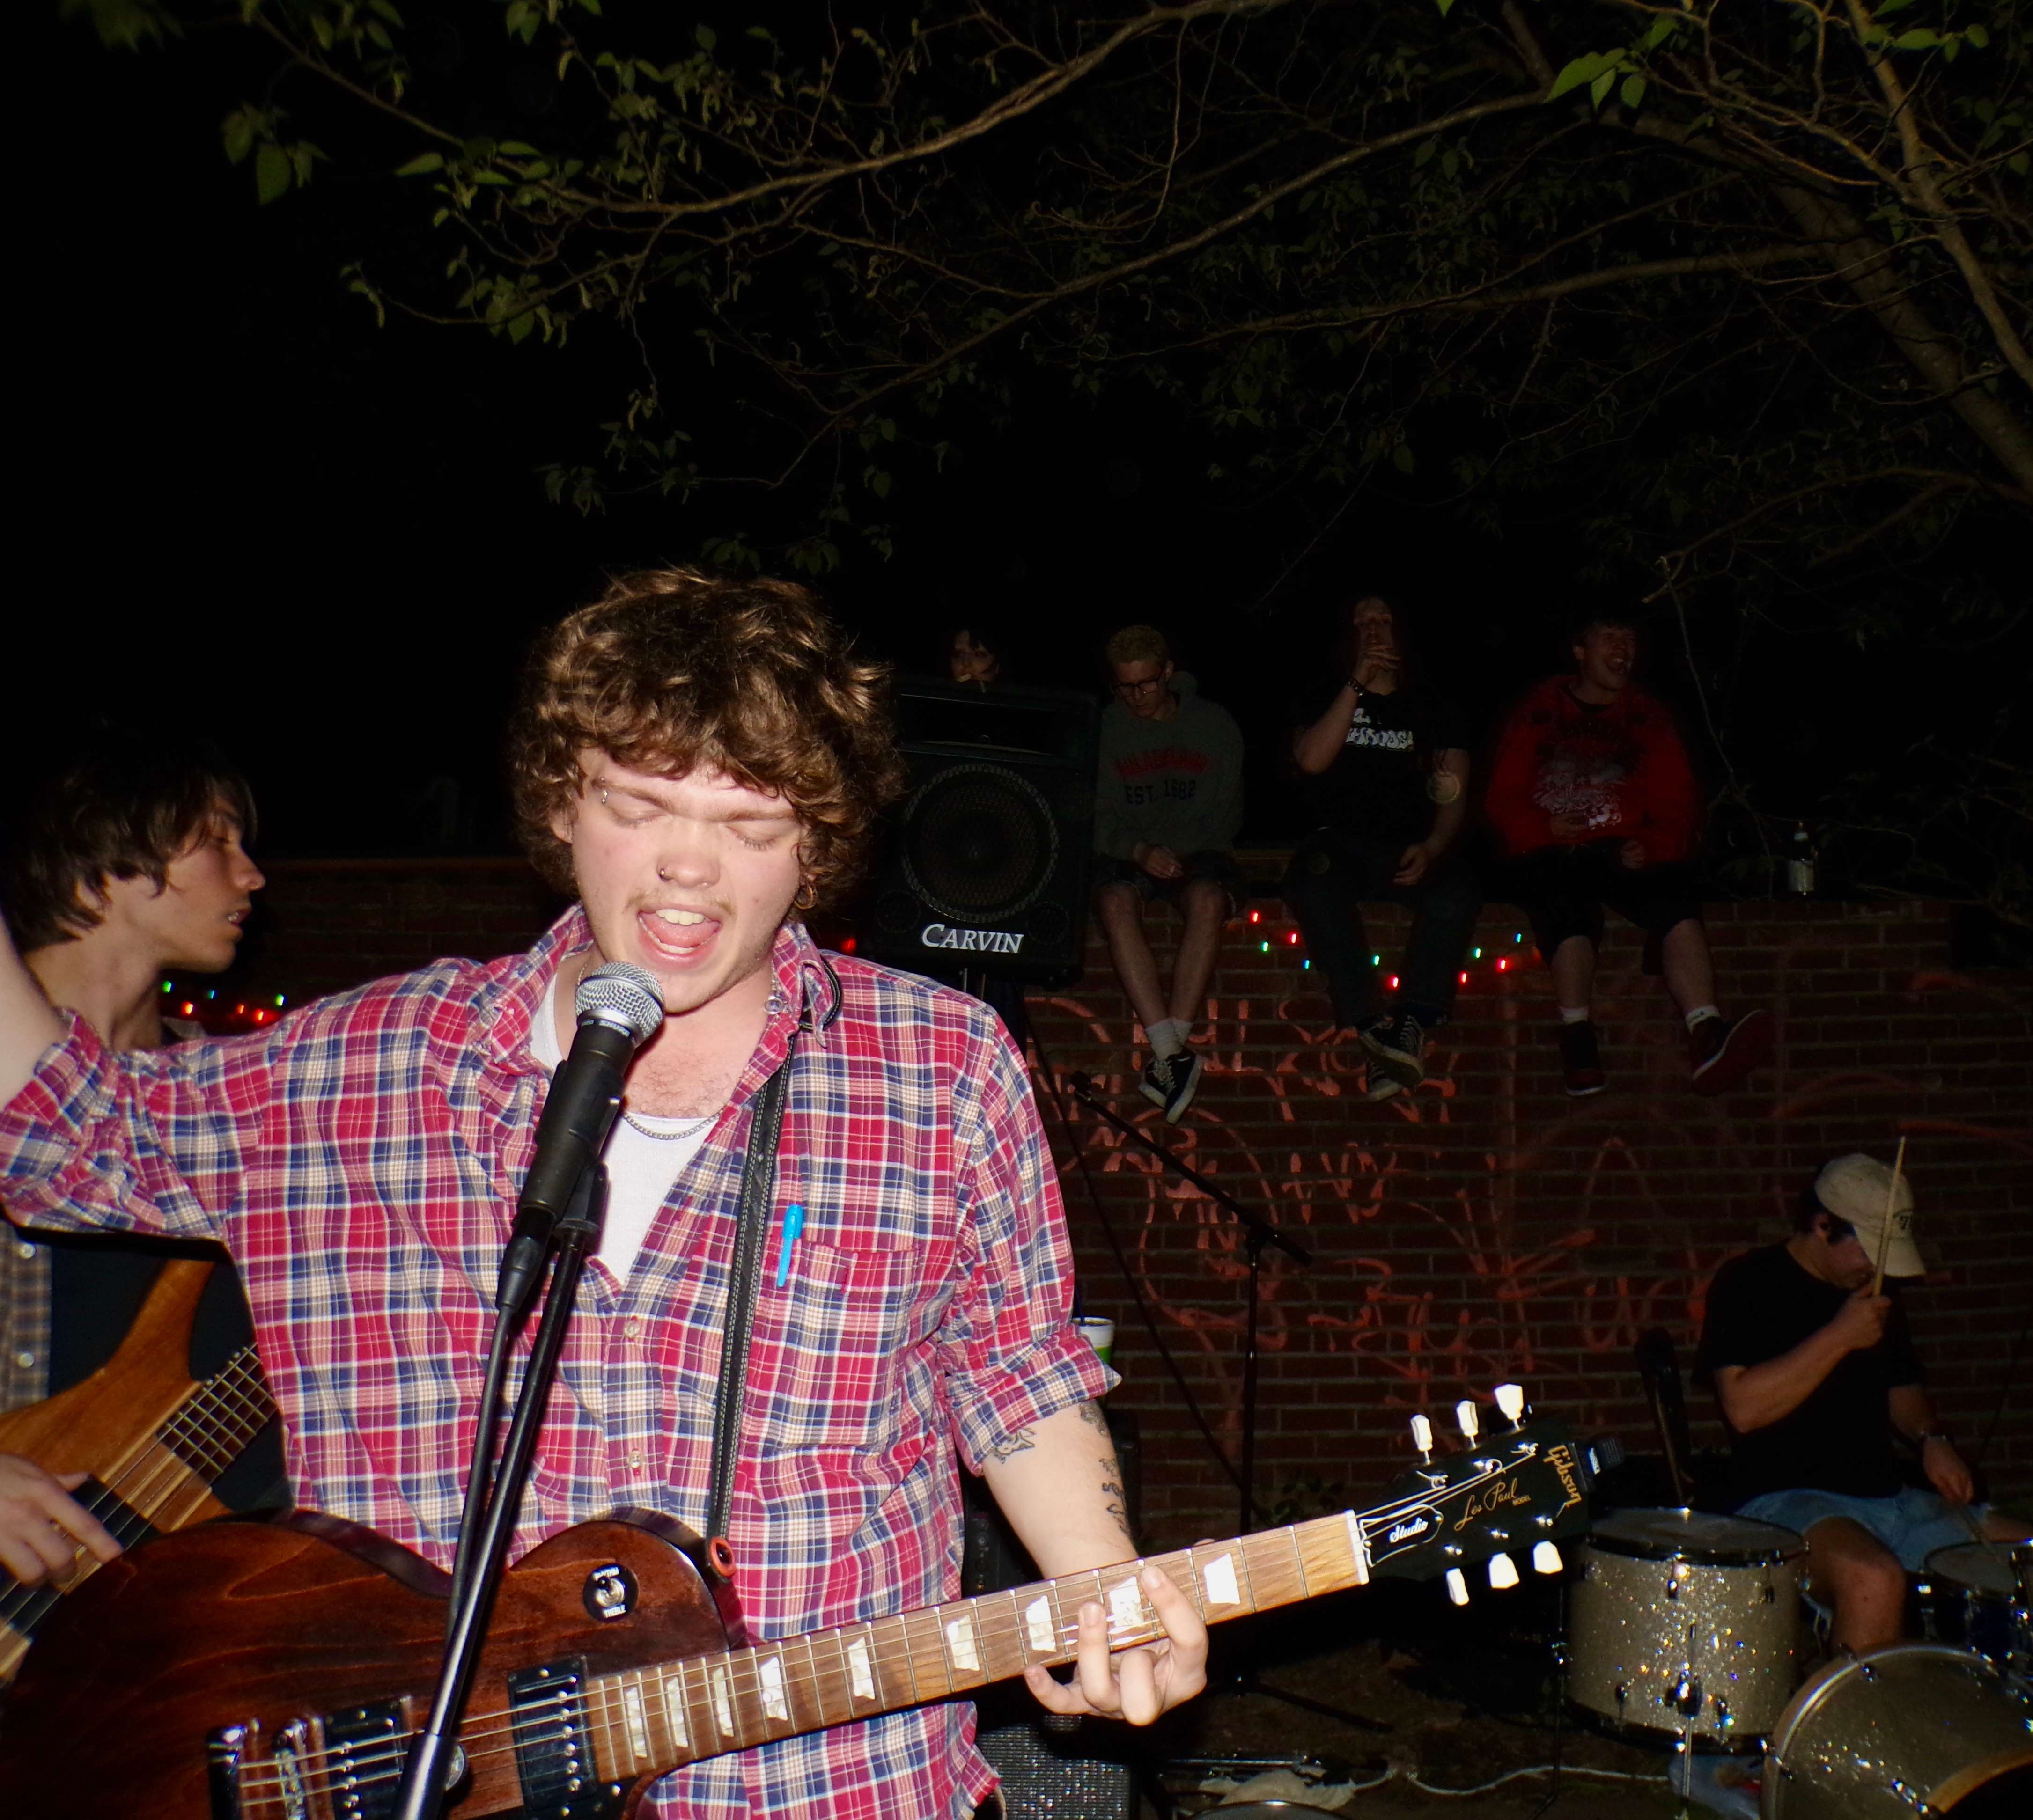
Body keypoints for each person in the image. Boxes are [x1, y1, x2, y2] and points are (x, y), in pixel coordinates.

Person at [0, 571, 1207, 1819]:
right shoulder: (361, 1067)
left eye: (751, 826)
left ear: (819, 844)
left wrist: (1098, 1579)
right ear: (564, 805)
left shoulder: (938, 1068)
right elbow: (50, 1139)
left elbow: (1016, 1371)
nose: (690, 870)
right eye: (640, 806)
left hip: (834, 1788)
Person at [0, 734, 287, 1589]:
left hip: (148, 1614)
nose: (252, 875)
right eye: (217, 841)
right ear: (104, 864)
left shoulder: (234, 1105)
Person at [1697, 1154, 2033, 1656]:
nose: (1879, 1270)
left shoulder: (1873, 1291)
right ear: (1823, 1225)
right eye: (1869, 1253)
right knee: (1872, 1579)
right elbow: (1745, 1410)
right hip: (1784, 1501)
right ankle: (1853, 1731)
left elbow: (1901, 1389)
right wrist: (1839, 1336)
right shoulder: (1748, 1282)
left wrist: (1932, 1439)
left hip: (1892, 1499)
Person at [1484, 608, 1772, 1098]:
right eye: (1609, 639)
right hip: (1552, 847)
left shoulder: (1649, 716)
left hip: (1619, 848)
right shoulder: (1539, 709)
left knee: (1675, 900)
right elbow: (1501, 795)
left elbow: (1679, 801)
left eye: (1629, 641)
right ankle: (1577, 1035)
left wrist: (1654, 845)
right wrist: (1541, 826)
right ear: (1580, 651)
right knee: (1565, 908)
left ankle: (1706, 1031)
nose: (1623, 651)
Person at [1282, 595, 1482, 1101]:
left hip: (1408, 846)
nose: (1374, 630)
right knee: (1311, 880)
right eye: (1363, 622)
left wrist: (1434, 847)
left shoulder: (1432, 702)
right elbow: (1310, 760)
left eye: (1384, 620)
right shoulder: (1325, 693)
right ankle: (1371, 1025)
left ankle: (1411, 1021)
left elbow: (1455, 788)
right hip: (1343, 846)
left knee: (1458, 890)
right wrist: (1356, 686)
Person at [1091, 624, 1244, 1123]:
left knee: (1208, 900)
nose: (1136, 697)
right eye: (1125, 687)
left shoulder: (1214, 726)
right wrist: (1139, 851)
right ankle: (1172, 1055)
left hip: (1198, 850)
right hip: (1132, 853)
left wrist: (1176, 851)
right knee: (1113, 901)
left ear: (1168, 674)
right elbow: (1093, 814)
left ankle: (1169, 1057)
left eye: (1146, 684)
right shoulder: (1107, 729)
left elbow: (1228, 812)